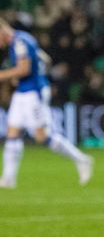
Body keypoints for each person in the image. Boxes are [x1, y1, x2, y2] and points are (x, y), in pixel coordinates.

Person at [0, 17, 93, 189]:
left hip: (33, 93)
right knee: (12, 131)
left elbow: (24, 69)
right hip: (23, 91)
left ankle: (82, 159)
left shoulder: (20, 42)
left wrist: (5, 75)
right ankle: (8, 178)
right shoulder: (22, 40)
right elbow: (45, 59)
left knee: (41, 136)